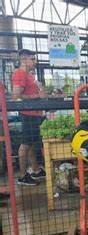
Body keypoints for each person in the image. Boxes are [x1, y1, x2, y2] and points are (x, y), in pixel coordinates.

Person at [12, 49, 47, 186]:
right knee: (25, 145)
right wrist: (38, 96)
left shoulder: (29, 75)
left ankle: (36, 170)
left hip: (34, 113)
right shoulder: (20, 74)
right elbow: (16, 96)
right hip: (28, 114)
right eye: (32, 59)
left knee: (31, 143)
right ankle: (22, 176)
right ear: (24, 59)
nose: (35, 62)